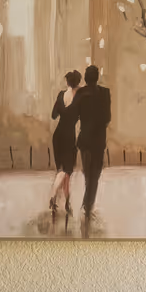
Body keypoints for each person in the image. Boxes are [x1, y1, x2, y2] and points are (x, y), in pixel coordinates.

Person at [73, 65, 112, 214]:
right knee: (95, 175)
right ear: (97, 77)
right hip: (98, 140)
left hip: (85, 140)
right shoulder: (105, 93)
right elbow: (107, 118)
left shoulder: (81, 93)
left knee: (88, 174)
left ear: (86, 77)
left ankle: (87, 205)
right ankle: (88, 205)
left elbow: (75, 114)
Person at [49, 70, 82, 213]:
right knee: (65, 171)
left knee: (64, 171)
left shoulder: (61, 95)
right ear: (78, 83)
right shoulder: (79, 98)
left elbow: (53, 115)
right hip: (69, 136)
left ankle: (67, 202)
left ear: (67, 82)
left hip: (58, 135)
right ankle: (53, 195)